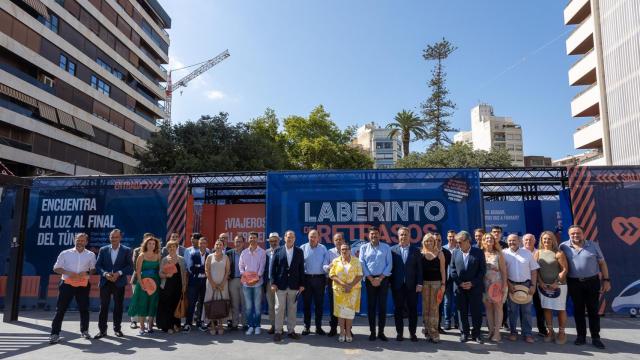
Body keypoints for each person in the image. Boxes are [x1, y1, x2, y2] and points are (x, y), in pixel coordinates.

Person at [560, 225, 610, 349]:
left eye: (578, 233)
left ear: (583, 234)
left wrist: (606, 280)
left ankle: (595, 337)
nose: (575, 236)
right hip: (574, 283)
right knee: (578, 310)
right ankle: (581, 336)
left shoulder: (593, 245)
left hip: (592, 282)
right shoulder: (563, 246)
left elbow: (602, 263)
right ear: (569, 234)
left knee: (593, 310)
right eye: (572, 234)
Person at [49, 233, 96, 344]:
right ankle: (54, 334)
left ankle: (84, 331)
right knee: (60, 309)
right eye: (78, 240)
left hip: (83, 285)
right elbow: (56, 268)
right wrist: (68, 272)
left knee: (84, 309)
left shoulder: (91, 255)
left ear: (86, 242)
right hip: (67, 284)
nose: (80, 242)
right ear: (74, 240)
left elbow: (93, 269)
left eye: (82, 240)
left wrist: (87, 272)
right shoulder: (65, 253)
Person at [94, 229, 133, 339]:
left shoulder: (126, 250)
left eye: (116, 237)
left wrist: (119, 273)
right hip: (105, 282)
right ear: (109, 238)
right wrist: (105, 274)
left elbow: (130, 266)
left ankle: (117, 329)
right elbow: (98, 266)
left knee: (118, 307)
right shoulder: (103, 249)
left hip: (119, 282)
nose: (114, 239)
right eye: (112, 237)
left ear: (120, 238)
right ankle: (102, 331)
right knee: (104, 307)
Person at [450, 230, 486, 344]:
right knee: (462, 311)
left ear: (467, 241)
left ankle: (476, 334)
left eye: (460, 242)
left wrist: (472, 283)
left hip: (474, 288)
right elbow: (452, 270)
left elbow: (482, 271)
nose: (457, 244)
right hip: (460, 288)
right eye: (457, 242)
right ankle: (464, 333)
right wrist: (460, 283)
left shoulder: (478, 252)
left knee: (476, 311)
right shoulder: (455, 252)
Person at [503, 234, 539, 343]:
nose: (511, 242)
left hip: (526, 285)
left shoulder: (527, 253)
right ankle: (513, 332)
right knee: (512, 311)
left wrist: (533, 285)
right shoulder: (504, 253)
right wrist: (508, 285)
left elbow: (533, 271)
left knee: (527, 311)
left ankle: (527, 333)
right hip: (511, 285)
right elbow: (503, 272)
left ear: (519, 241)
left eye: (514, 240)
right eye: (509, 241)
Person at [271, 230, 305, 342]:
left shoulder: (299, 251)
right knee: (279, 309)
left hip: (294, 285)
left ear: (295, 239)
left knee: (292, 309)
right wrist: (273, 283)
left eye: (292, 237)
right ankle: (278, 331)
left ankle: (291, 331)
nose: (289, 239)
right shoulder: (278, 250)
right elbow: (273, 268)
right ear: (284, 238)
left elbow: (301, 269)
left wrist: (301, 284)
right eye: (288, 237)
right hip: (280, 285)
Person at [535, 231, 569, 344]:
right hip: (543, 286)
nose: (546, 241)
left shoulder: (559, 253)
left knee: (560, 309)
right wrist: (540, 282)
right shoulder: (538, 253)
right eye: (544, 239)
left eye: (549, 239)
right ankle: (550, 331)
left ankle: (562, 332)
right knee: (547, 308)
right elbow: (536, 270)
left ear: (553, 240)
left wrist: (557, 282)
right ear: (541, 240)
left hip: (559, 286)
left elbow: (564, 270)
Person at [390, 227, 423, 342]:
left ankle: (412, 333)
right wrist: (390, 283)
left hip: (412, 286)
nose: (403, 237)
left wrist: (420, 283)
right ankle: (399, 333)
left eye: (405, 235)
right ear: (398, 236)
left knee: (412, 309)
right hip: (397, 286)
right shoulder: (392, 250)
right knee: (398, 309)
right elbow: (390, 269)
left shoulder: (416, 251)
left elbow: (419, 269)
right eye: (401, 235)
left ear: (409, 237)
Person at [329, 243, 363, 343]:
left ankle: (348, 332)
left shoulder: (356, 261)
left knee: (349, 313)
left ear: (350, 250)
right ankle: (341, 333)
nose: (344, 251)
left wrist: (350, 286)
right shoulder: (336, 261)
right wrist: (344, 285)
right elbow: (332, 275)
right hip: (339, 291)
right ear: (340, 251)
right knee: (341, 313)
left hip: (353, 291)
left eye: (346, 249)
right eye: (342, 249)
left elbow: (359, 275)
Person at [128, 236, 161, 335]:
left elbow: (159, 270)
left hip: (155, 282)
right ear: (146, 244)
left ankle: (150, 326)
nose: (151, 245)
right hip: (143, 282)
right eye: (149, 243)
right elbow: (138, 272)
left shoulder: (158, 255)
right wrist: (141, 284)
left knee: (153, 303)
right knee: (143, 303)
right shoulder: (141, 255)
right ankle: (142, 327)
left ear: (156, 245)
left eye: (153, 244)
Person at [300, 229, 329, 335]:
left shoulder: (323, 248)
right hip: (307, 279)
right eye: (311, 236)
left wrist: (326, 280)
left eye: (314, 236)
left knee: (319, 305)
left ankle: (318, 327)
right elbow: (299, 266)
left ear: (318, 238)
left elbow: (326, 264)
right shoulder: (302, 248)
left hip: (320, 279)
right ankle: (306, 327)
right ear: (308, 237)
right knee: (307, 304)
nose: (312, 238)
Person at [480, 233, 507, 342]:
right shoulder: (480, 254)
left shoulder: (498, 254)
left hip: (497, 284)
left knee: (498, 308)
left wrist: (504, 285)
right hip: (484, 285)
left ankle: (497, 333)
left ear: (494, 241)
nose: (489, 240)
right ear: (483, 241)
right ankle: (491, 331)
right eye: (487, 238)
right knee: (488, 309)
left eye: (491, 238)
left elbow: (504, 271)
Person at [157, 239, 187, 334]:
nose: (172, 249)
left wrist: (184, 286)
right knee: (168, 306)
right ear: (167, 249)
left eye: (173, 247)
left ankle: (176, 325)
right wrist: (166, 275)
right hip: (167, 286)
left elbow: (184, 273)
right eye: (170, 247)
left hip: (178, 286)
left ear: (176, 248)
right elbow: (160, 273)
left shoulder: (181, 259)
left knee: (176, 306)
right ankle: (168, 326)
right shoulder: (165, 259)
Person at [420, 233, 446, 343]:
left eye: (431, 240)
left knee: (434, 308)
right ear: (423, 242)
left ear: (434, 242)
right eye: (427, 241)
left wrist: (443, 285)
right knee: (426, 307)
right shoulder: (421, 254)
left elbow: (443, 270)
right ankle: (427, 331)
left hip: (437, 284)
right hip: (425, 284)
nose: (429, 242)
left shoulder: (440, 254)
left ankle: (434, 332)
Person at [239, 232, 266, 335]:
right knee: (249, 307)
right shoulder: (244, 252)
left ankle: (257, 326)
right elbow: (241, 266)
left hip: (257, 283)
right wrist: (245, 277)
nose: (252, 239)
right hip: (246, 284)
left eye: (254, 238)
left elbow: (262, 268)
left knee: (257, 306)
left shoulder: (262, 252)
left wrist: (255, 279)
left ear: (257, 239)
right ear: (248, 239)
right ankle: (251, 326)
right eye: (251, 238)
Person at [203, 238, 230, 335]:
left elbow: (227, 271)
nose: (218, 246)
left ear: (223, 247)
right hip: (211, 284)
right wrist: (213, 283)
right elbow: (207, 270)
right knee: (211, 304)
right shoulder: (210, 257)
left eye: (220, 245)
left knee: (221, 304)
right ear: (214, 246)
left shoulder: (226, 257)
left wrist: (222, 283)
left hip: (223, 285)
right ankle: (213, 326)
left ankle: (221, 325)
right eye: (217, 244)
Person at [523, 233, 547, 338]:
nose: (528, 242)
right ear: (522, 241)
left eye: (530, 240)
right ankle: (524, 330)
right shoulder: (519, 252)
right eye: (526, 240)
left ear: (535, 241)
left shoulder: (540, 253)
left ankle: (542, 329)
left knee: (539, 307)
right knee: (522, 308)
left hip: (537, 284)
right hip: (522, 284)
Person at [129, 232, 154, 330]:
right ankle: (134, 321)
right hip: (137, 279)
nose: (148, 242)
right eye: (146, 239)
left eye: (150, 240)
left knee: (148, 301)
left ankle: (148, 322)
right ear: (143, 240)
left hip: (152, 280)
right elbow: (135, 266)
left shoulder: (156, 252)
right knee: (136, 300)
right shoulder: (137, 250)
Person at [184, 236, 210, 332]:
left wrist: (199, 268)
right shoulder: (193, 254)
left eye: (204, 243)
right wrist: (202, 269)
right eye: (200, 243)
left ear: (206, 245)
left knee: (202, 303)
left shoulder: (209, 254)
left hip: (205, 282)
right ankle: (188, 323)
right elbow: (191, 269)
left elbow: (209, 269)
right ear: (198, 245)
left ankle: (200, 322)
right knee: (191, 303)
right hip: (194, 282)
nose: (202, 245)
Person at [323, 232, 345, 337]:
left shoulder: (349, 251)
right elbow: (324, 267)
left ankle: (347, 329)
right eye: (336, 240)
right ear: (333, 241)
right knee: (334, 306)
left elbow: (355, 264)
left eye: (340, 239)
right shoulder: (329, 252)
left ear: (343, 240)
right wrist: (330, 265)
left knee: (346, 306)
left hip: (346, 282)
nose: (338, 241)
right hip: (333, 282)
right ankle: (333, 328)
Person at [226, 234, 246, 330]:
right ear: (234, 242)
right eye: (236, 241)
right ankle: (234, 324)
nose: (238, 243)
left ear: (243, 243)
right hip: (233, 280)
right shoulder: (229, 253)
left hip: (244, 281)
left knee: (244, 303)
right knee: (234, 303)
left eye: (240, 241)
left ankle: (245, 324)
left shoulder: (247, 252)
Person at [265, 232, 281, 334]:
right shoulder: (265, 252)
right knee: (271, 305)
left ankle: (280, 326)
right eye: (271, 241)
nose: (273, 243)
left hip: (280, 283)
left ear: (279, 241)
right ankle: (273, 325)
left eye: (275, 241)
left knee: (279, 306)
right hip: (269, 282)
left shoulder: (283, 251)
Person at [434, 232, 451, 334]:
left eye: (439, 240)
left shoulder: (446, 253)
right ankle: (427, 327)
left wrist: (444, 283)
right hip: (428, 283)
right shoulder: (426, 251)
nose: (437, 242)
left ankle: (437, 326)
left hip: (441, 283)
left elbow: (451, 268)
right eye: (435, 240)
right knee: (428, 306)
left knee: (439, 305)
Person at [442, 230, 458, 330]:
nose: (451, 238)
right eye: (449, 237)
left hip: (457, 279)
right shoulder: (443, 249)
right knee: (447, 301)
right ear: (447, 237)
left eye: (453, 236)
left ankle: (457, 321)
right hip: (447, 278)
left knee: (457, 301)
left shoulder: (459, 248)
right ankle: (447, 321)